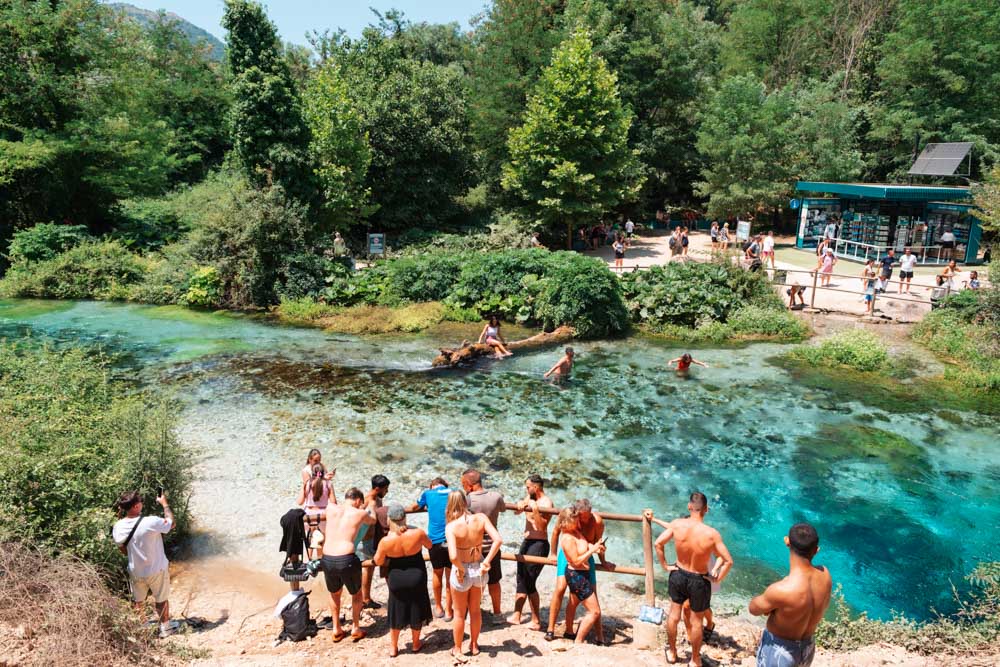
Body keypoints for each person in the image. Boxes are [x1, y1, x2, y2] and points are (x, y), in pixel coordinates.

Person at [647, 493, 734, 667]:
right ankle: (695, 660)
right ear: (706, 509)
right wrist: (716, 579)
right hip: (699, 579)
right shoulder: (711, 534)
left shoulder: (677, 524)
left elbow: (658, 544)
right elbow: (728, 561)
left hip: (678, 573)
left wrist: (665, 566)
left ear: (689, 507)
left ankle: (672, 653)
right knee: (696, 622)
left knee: (673, 616)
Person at [749, 523, 832, 667]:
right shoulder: (825, 575)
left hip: (780, 652)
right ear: (816, 550)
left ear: (787, 541)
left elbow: (753, 609)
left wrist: (773, 604)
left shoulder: (782, 590)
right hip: (807, 648)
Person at [446, 490, 503, 662]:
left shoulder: (452, 527)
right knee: (475, 610)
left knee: (459, 613)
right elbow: (498, 540)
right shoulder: (481, 518)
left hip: (462, 569)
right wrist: (487, 561)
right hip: (479, 567)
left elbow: (453, 556)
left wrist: (460, 569)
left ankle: (458, 649)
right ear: (466, 502)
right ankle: (474, 645)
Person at [546, 499, 613, 643]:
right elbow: (555, 532)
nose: (585, 520)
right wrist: (553, 553)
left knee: (592, 593)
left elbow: (598, 541)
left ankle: (599, 636)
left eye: (588, 516)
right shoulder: (569, 517)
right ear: (576, 513)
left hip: (586, 554)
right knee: (560, 588)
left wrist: (603, 560)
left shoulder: (597, 521)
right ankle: (551, 629)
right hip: (570, 556)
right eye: (583, 517)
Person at [113, 490, 178, 638]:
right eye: (140, 501)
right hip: (156, 569)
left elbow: (123, 549)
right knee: (161, 599)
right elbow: (171, 523)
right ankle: (165, 628)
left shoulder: (118, 526)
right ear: (136, 506)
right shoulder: (151, 521)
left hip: (135, 571)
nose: (142, 503)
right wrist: (164, 504)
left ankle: (142, 628)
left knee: (138, 601)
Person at [314, 487, 376, 643]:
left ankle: (336, 629)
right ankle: (355, 628)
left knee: (334, 594)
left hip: (327, 558)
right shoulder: (359, 513)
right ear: (358, 500)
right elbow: (373, 520)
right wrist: (371, 506)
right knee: (357, 594)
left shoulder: (330, 508)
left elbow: (331, 498)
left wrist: (331, 487)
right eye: (360, 503)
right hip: (346, 557)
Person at [373, 504, 433, 658]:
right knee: (416, 607)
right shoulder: (417, 533)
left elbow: (378, 561)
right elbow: (429, 545)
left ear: (389, 520)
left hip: (396, 578)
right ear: (405, 518)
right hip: (417, 575)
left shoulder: (385, 541)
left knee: (396, 610)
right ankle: (415, 644)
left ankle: (394, 647)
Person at [558, 506, 606, 645]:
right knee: (594, 611)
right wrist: (592, 551)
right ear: (568, 521)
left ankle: (569, 632)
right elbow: (576, 561)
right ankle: (578, 641)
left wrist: (597, 548)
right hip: (576, 576)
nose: (578, 522)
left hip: (582, 574)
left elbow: (586, 545)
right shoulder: (567, 538)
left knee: (573, 602)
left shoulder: (576, 532)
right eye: (575, 520)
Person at [461, 469, 506, 620]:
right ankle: (497, 613)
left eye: (463, 484)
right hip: (493, 547)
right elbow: (503, 509)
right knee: (494, 582)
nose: (462, 487)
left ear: (469, 484)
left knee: (473, 583)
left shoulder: (467, 500)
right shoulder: (496, 496)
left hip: (474, 548)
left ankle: (472, 612)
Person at [512, 474, 553, 629]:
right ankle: (517, 615)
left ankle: (536, 620)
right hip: (527, 541)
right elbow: (517, 512)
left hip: (539, 544)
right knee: (520, 578)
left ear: (536, 487)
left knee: (529, 581)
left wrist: (535, 509)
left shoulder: (546, 503)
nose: (526, 489)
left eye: (528, 487)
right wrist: (520, 504)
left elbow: (542, 526)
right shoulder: (530, 497)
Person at [408, 478, 454, 620]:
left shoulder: (428, 493)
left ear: (432, 486)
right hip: (452, 539)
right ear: (445, 485)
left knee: (437, 573)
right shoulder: (455, 492)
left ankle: (438, 607)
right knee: (451, 576)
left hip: (435, 541)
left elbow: (414, 507)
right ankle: (449, 610)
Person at [359, 474, 391, 609]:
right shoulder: (368, 500)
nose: (387, 491)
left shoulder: (377, 499)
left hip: (372, 540)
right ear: (378, 488)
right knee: (384, 564)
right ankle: (394, 596)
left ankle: (366, 599)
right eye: (385, 489)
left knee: (369, 568)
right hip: (366, 541)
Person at [297, 463, 335, 559]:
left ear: (312, 473)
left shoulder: (307, 484)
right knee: (320, 540)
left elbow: (300, 502)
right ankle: (319, 561)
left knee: (311, 538)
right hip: (322, 517)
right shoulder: (328, 484)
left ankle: (309, 560)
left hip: (308, 516)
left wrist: (303, 487)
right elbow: (334, 502)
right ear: (323, 472)